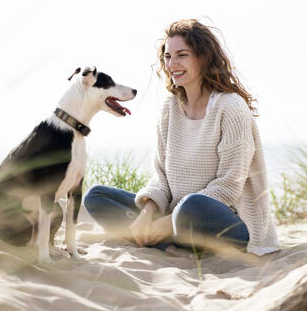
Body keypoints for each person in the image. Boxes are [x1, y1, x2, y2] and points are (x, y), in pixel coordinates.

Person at [84, 19, 280, 256]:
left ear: (203, 57)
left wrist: (166, 223)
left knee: (191, 207)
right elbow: (161, 177)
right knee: (97, 196)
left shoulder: (231, 107)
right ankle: (164, 242)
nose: (172, 64)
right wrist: (147, 214)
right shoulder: (170, 109)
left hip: (223, 221)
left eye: (182, 55)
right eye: (167, 56)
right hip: (176, 217)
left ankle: (162, 237)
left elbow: (229, 186)